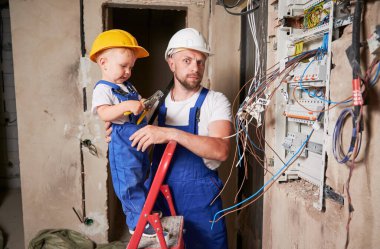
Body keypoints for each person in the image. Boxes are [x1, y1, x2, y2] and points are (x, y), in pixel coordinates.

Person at [129, 28, 232, 249]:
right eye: (187, 60)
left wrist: (169, 133)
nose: (195, 68)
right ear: (171, 63)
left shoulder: (215, 101)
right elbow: (128, 138)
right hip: (160, 201)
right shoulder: (154, 106)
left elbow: (221, 149)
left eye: (200, 61)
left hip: (202, 205)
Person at [90, 29, 157, 237]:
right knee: (129, 182)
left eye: (131, 67)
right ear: (104, 63)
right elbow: (104, 113)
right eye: (123, 66)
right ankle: (137, 223)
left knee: (142, 174)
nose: (128, 71)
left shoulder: (127, 85)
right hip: (121, 140)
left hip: (137, 137)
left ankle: (145, 212)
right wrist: (127, 105)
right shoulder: (103, 89)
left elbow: (136, 104)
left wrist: (144, 104)